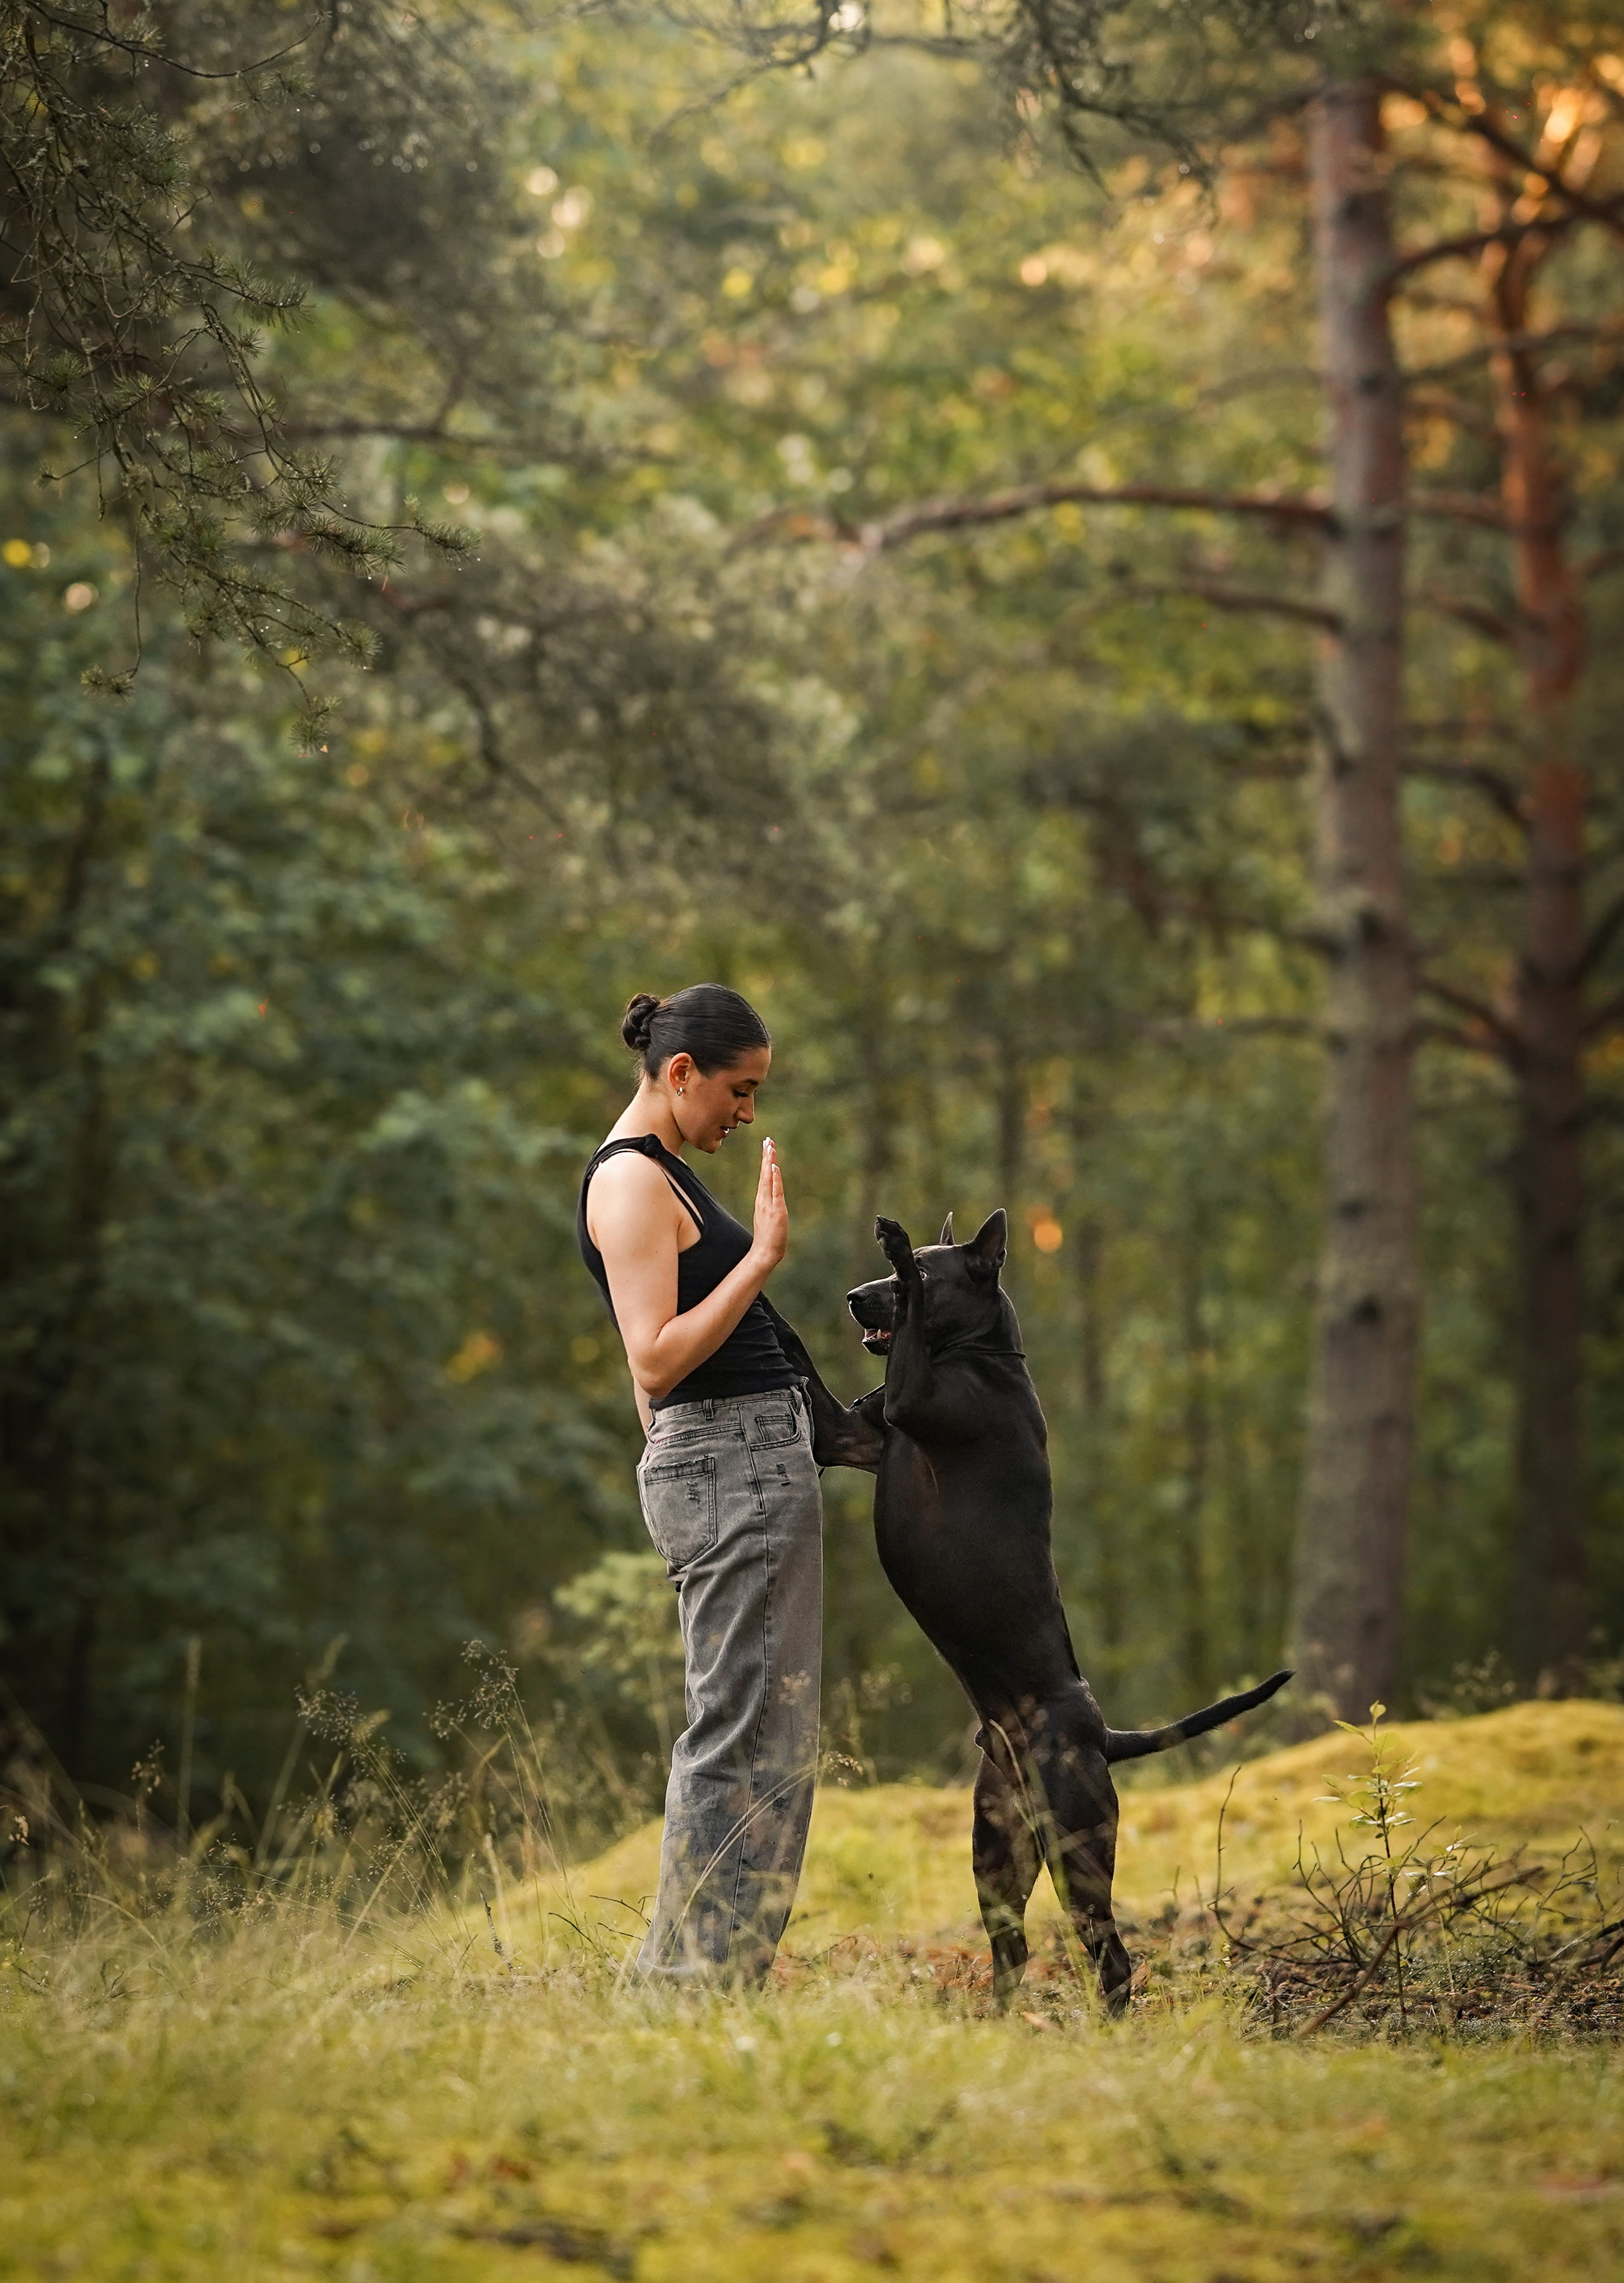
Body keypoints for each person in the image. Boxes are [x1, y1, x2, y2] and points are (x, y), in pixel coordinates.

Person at [575, 984, 822, 1984]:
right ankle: (690, 1986)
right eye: (740, 1088)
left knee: (766, 1731)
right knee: (746, 1734)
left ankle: (690, 1977)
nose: (747, 1112)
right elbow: (656, 1359)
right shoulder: (632, 1183)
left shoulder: (661, 1174)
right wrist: (760, 1256)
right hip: (734, 1467)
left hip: (740, 1465)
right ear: (681, 1073)